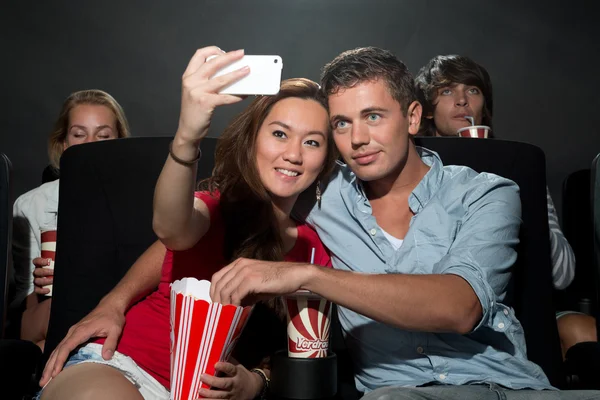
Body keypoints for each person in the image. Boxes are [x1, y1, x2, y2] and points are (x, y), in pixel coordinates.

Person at [204, 47, 600, 399]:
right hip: (397, 393)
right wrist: (192, 132)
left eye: (373, 116)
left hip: (508, 387)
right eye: (341, 123)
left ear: (412, 117)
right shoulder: (323, 195)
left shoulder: (486, 192)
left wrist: (305, 276)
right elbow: (209, 215)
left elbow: (460, 306)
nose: (357, 138)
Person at [39, 48, 337, 400]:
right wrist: (187, 137)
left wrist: (257, 380)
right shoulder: (215, 206)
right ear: (254, 139)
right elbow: (171, 229)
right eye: (280, 134)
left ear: (326, 160)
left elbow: (301, 348)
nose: (294, 154)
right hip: (123, 367)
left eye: (312, 142)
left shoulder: (315, 251)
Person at [415, 54, 595, 359]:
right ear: (428, 111)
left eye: (472, 90)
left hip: (522, 309)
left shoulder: (520, 167)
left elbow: (563, 275)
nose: (461, 101)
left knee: (585, 331)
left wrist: (521, 196)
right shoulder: (413, 169)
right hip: (444, 312)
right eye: (447, 91)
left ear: (485, 106)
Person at [10, 89, 130, 349]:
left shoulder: (141, 199)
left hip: (121, 311)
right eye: (79, 134)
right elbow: (25, 310)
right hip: (51, 314)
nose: (90, 144)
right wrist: (41, 283)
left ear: (120, 141)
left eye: (103, 135)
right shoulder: (31, 205)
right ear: (63, 143)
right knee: (48, 332)